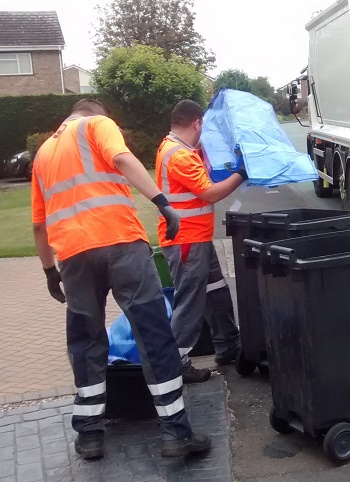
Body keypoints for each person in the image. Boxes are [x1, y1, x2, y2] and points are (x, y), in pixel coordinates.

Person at [31, 99, 211, 460]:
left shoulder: (43, 153)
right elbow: (123, 159)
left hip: (73, 256)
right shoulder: (96, 124)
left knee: (86, 340)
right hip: (121, 245)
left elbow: (39, 222)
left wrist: (49, 270)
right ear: (97, 112)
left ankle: (91, 435)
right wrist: (163, 203)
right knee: (153, 334)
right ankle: (176, 432)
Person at [156, 100, 245, 384]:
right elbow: (210, 193)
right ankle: (177, 363)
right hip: (186, 241)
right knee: (191, 302)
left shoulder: (175, 149)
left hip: (196, 239)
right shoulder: (179, 155)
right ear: (197, 123)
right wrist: (242, 173)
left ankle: (229, 345)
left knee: (216, 292)